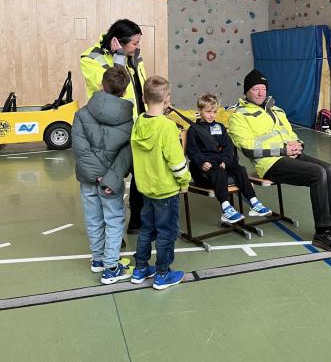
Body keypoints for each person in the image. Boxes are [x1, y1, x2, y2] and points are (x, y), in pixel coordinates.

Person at [228, 69, 331, 253]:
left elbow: (291, 134)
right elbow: (249, 149)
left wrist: (299, 145)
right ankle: (322, 232)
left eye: (263, 88)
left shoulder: (276, 110)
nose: (260, 92)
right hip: (269, 163)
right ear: (247, 91)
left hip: (290, 155)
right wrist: (283, 150)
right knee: (318, 173)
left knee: (329, 169)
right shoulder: (239, 116)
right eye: (255, 89)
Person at [80, 19, 146, 234]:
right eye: (134, 43)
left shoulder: (133, 55)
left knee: (140, 174)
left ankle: (137, 221)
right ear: (119, 41)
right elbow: (112, 87)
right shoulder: (91, 58)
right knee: (112, 179)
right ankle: (113, 234)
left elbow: (139, 86)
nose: (137, 47)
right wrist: (119, 60)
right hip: (110, 129)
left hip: (136, 124)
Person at [72, 66, 133, 284]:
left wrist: (96, 175)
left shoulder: (81, 114)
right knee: (114, 220)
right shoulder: (129, 119)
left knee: (93, 219)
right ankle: (111, 267)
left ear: (101, 85)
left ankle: (98, 259)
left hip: (88, 179)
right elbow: (126, 154)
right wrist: (108, 178)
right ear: (124, 91)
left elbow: (80, 149)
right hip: (111, 182)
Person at [130, 76, 190, 290]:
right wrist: (184, 181)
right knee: (167, 232)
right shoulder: (167, 127)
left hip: (146, 188)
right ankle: (163, 273)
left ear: (144, 99)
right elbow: (176, 161)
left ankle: (140, 268)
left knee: (147, 229)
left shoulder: (138, 122)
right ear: (167, 99)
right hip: (166, 190)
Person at [186, 93, 272, 224]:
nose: (211, 115)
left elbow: (228, 147)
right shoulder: (193, 130)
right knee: (219, 173)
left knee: (240, 169)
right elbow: (192, 151)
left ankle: (254, 202)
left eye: (214, 112)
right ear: (200, 110)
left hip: (220, 162)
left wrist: (225, 161)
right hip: (203, 168)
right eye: (208, 112)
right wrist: (202, 162)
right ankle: (226, 208)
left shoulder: (220, 127)